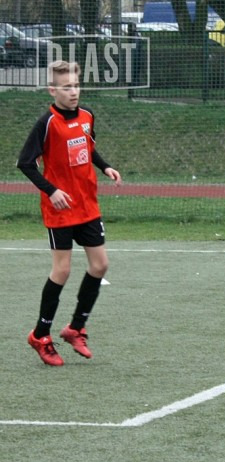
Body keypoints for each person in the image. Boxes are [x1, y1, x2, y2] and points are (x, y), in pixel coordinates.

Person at [17, 60, 123, 366]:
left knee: (100, 265)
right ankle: (40, 335)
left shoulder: (87, 115)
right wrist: (52, 191)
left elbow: (88, 148)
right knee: (62, 271)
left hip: (87, 205)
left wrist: (105, 167)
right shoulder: (47, 123)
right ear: (53, 90)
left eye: (76, 85)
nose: (73, 92)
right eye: (66, 87)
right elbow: (25, 163)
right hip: (60, 209)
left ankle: (76, 328)